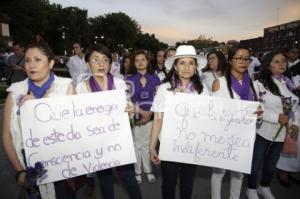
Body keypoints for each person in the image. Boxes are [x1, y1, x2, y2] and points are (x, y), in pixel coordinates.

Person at [2, 42, 76, 199]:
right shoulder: (15, 92)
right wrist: (19, 171)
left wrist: (39, 105)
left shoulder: (66, 87)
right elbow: (6, 136)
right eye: (27, 60)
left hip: (61, 161)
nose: (31, 65)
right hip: (29, 165)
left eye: (37, 59)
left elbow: (73, 128)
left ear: (50, 63)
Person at [75, 44, 142, 199]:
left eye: (105, 60)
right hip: (97, 141)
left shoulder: (119, 83)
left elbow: (128, 110)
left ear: (110, 64)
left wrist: (131, 110)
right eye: (96, 59)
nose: (101, 64)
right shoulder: (80, 88)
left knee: (128, 177)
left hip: (119, 140)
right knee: (105, 180)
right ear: (87, 63)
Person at [150, 45, 209, 199]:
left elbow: (209, 117)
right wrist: (152, 147)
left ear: (196, 67)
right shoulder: (164, 89)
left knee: (187, 184)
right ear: (175, 66)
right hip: (169, 144)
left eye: (191, 63)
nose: (187, 67)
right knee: (169, 184)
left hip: (191, 144)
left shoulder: (202, 90)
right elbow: (158, 119)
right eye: (182, 63)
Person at [247, 50, 299, 199]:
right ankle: (250, 188)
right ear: (268, 65)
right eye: (276, 61)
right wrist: (276, 117)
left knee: (271, 165)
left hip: (283, 134)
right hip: (262, 131)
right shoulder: (258, 84)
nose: (281, 63)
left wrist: (296, 124)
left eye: (283, 61)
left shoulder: (289, 83)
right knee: (256, 163)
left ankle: (264, 186)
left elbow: (296, 108)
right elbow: (254, 108)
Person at [211, 46, 260, 199]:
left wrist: (259, 113)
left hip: (244, 137)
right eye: (239, 58)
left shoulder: (252, 83)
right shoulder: (219, 82)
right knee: (219, 173)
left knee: (238, 174)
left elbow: (256, 106)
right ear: (230, 60)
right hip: (224, 136)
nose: (243, 62)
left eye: (246, 58)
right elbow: (214, 112)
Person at [126, 50, 160, 184]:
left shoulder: (155, 78)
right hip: (135, 116)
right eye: (137, 60)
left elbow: (159, 99)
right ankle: (137, 172)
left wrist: (150, 113)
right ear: (134, 63)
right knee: (136, 145)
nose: (140, 62)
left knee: (147, 146)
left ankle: (148, 170)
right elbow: (127, 99)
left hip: (151, 117)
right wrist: (141, 112)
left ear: (147, 61)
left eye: (143, 59)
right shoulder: (128, 79)